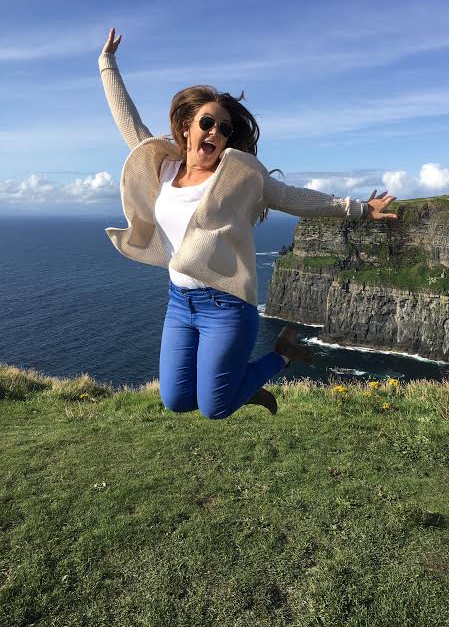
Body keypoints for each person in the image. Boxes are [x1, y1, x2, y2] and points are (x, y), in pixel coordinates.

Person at [98, 28, 397, 420]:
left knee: (215, 408)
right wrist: (107, 63)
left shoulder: (241, 176)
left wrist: (360, 209)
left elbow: (294, 198)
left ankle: (282, 356)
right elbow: (129, 122)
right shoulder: (164, 166)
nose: (215, 132)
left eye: (224, 129)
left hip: (226, 305)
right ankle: (241, 384)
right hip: (179, 301)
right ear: (187, 126)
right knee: (176, 400)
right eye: (207, 122)